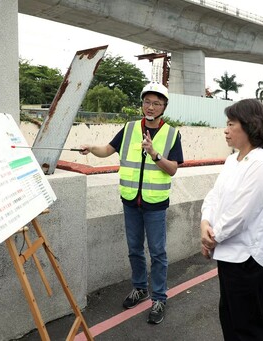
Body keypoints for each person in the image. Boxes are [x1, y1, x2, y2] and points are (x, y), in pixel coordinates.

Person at [79, 81, 184, 324]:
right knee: (134, 249)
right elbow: (107, 149)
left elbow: (173, 169)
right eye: (147, 102)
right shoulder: (129, 129)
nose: (150, 107)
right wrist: (91, 147)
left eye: (156, 103)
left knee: (158, 253)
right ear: (142, 104)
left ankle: (159, 298)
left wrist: (154, 153)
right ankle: (140, 288)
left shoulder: (172, 133)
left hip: (155, 203)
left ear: (164, 107)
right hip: (130, 200)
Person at [200, 99, 263, 340]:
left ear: (249, 126)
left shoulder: (262, 162)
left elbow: (241, 213)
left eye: (231, 124)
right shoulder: (232, 160)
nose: (226, 129)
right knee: (230, 318)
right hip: (229, 254)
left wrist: (213, 238)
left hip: (248, 258)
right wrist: (205, 223)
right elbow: (215, 196)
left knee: (247, 325)